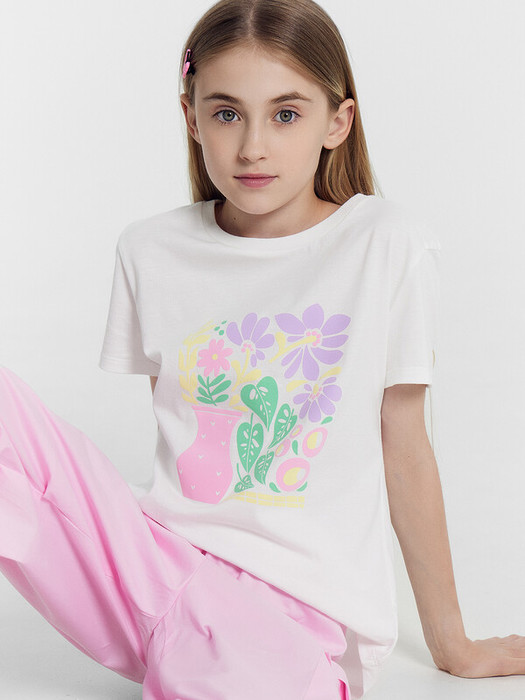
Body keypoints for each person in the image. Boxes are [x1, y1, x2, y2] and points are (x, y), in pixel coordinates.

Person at [1, 0, 524, 698]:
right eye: (226, 113)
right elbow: (176, 436)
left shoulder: (385, 245)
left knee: (232, 675)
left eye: (285, 114)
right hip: (151, 563)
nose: (252, 147)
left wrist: (452, 644)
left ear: (336, 122)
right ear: (191, 118)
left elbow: (405, 450)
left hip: (291, 608)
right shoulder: (150, 249)